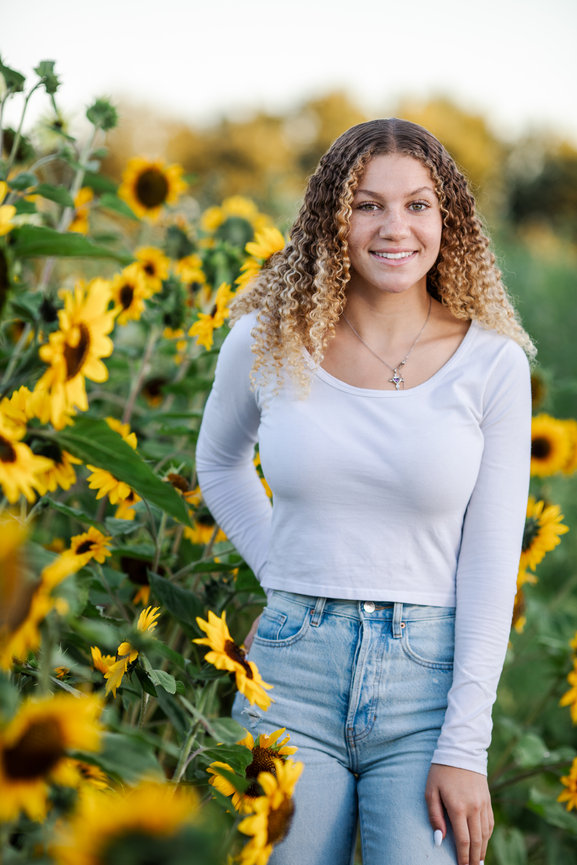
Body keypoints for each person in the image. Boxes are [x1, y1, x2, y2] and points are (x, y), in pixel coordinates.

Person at [195, 118, 534, 865]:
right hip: (288, 671)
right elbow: (219, 464)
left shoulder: (492, 364)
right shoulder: (264, 340)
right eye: (366, 204)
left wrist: (464, 745)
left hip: (427, 685)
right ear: (331, 217)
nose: (394, 228)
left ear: (448, 220)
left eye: (417, 205)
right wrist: (284, 579)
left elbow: (489, 563)